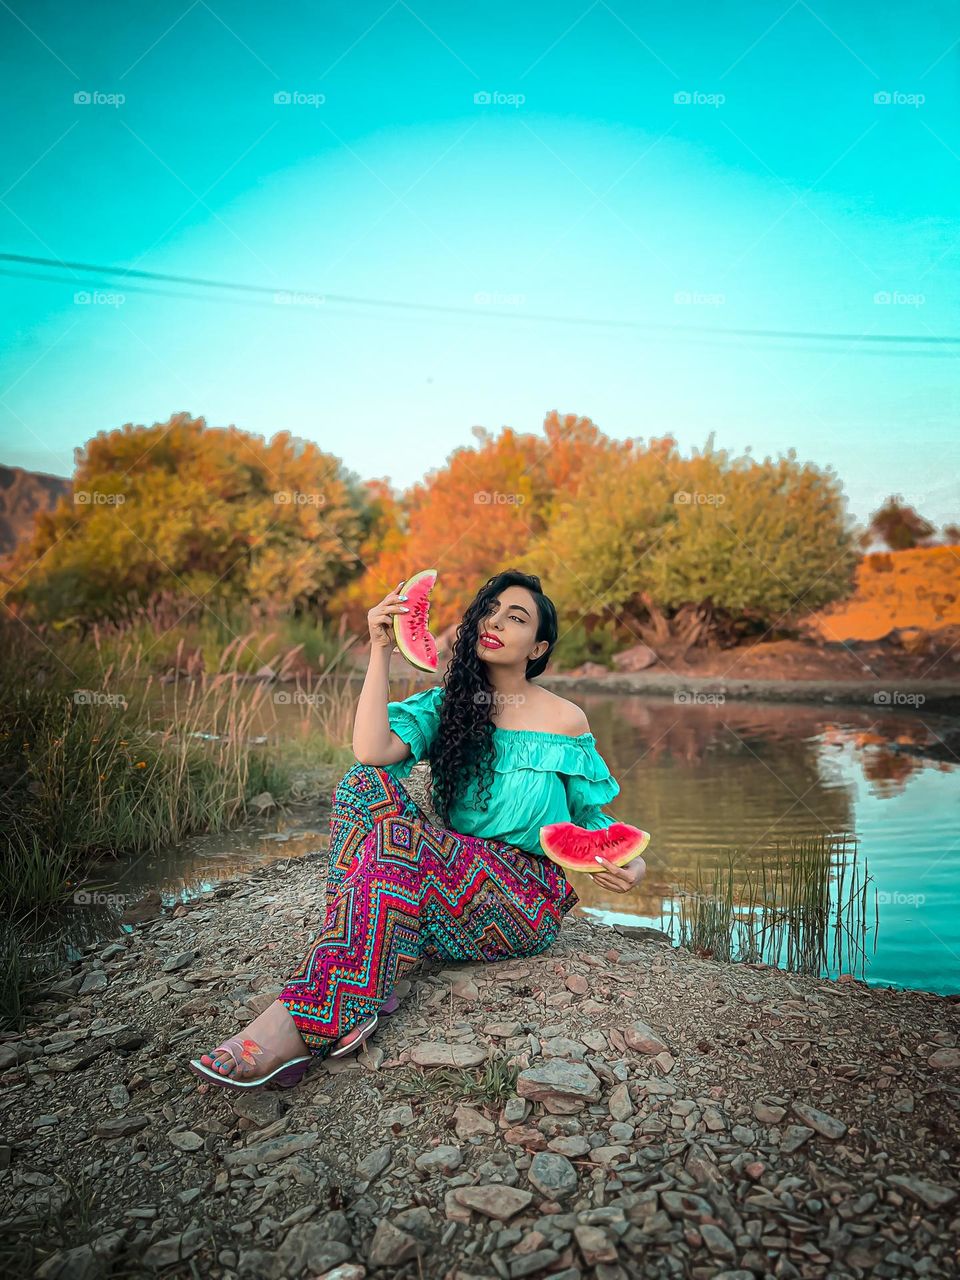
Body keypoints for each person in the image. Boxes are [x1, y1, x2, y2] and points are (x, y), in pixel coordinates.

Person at [187, 569, 645, 1091]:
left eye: (515, 617)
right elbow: (371, 751)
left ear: (538, 647)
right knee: (364, 783)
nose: (494, 622)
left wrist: (634, 864)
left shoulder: (566, 721)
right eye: (489, 610)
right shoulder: (445, 706)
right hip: (442, 884)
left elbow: (593, 823)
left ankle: (303, 1020)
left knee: (397, 842)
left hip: (518, 900)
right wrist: (380, 649)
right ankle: (362, 977)